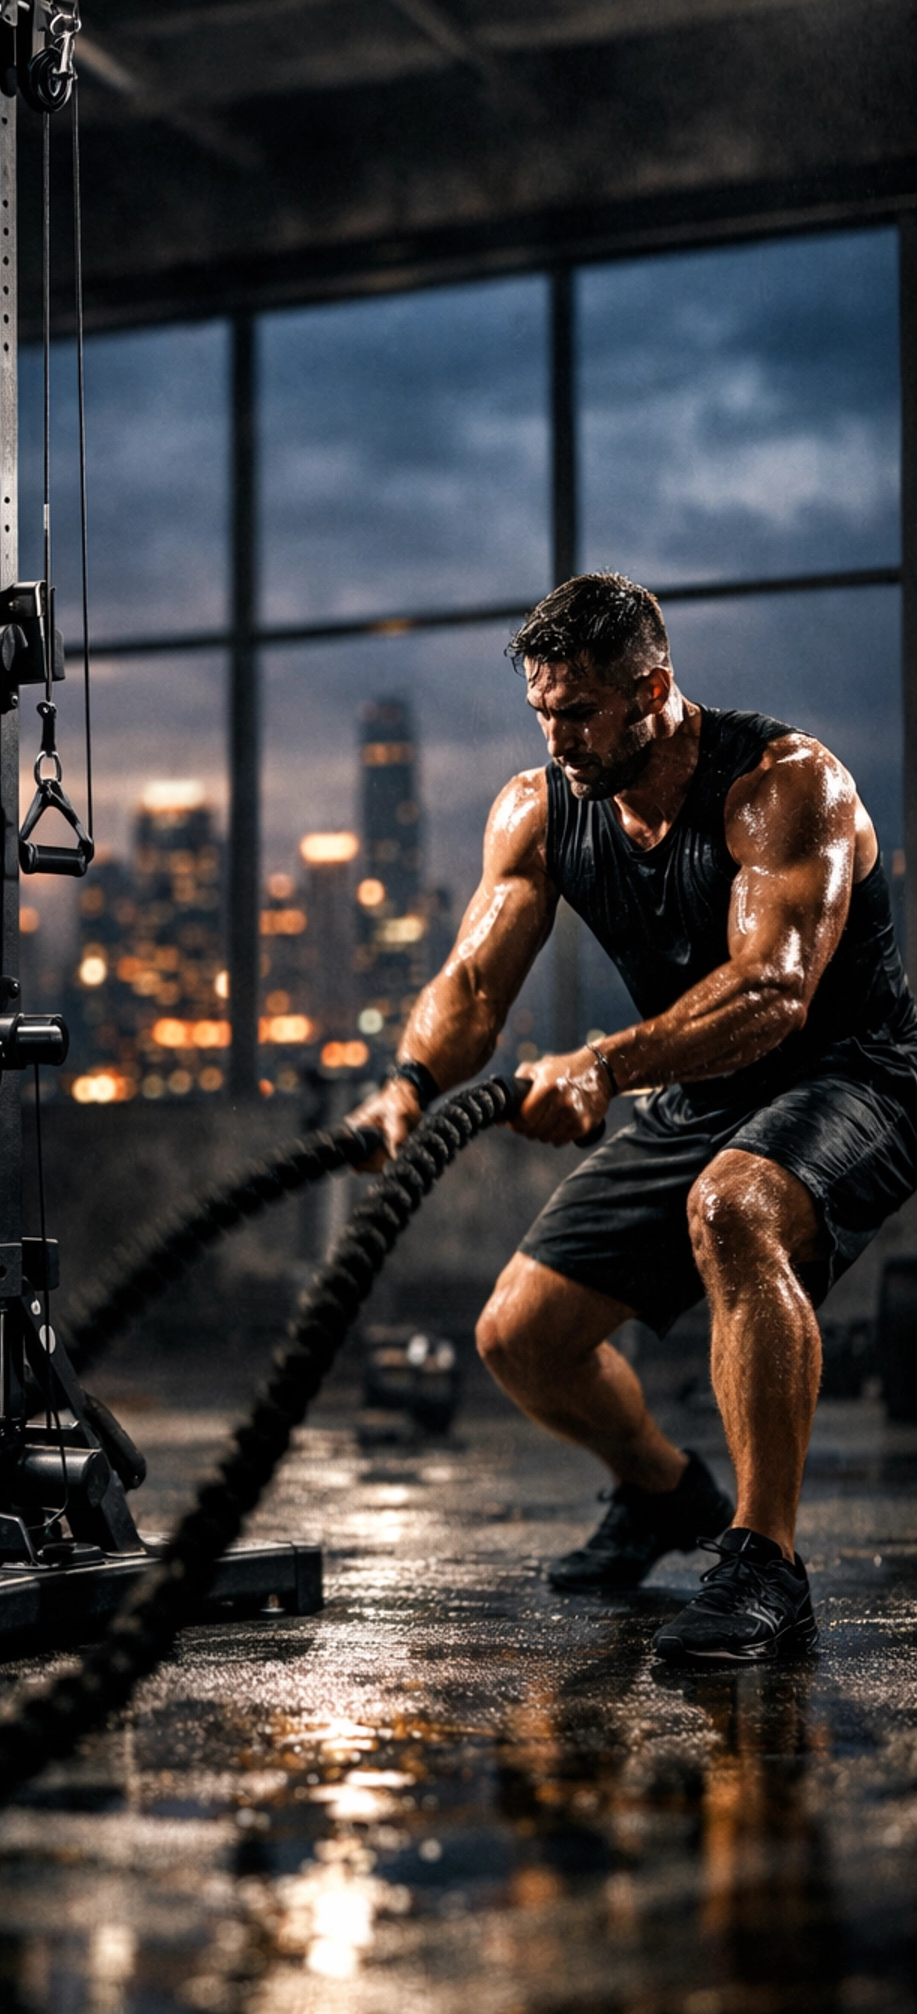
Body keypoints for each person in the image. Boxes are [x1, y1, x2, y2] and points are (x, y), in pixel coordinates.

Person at [352, 571, 917, 1664]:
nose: (559, 737)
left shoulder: (782, 785)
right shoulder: (540, 809)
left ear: (653, 687)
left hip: (851, 1077)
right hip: (696, 1089)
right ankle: (664, 1493)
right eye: (543, 713)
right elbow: (472, 988)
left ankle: (767, 1562)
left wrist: (605, 1068)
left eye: (581, 712)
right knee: (520, 1336)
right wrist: (409, 1085)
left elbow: (773, 992)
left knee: (734, 1207)